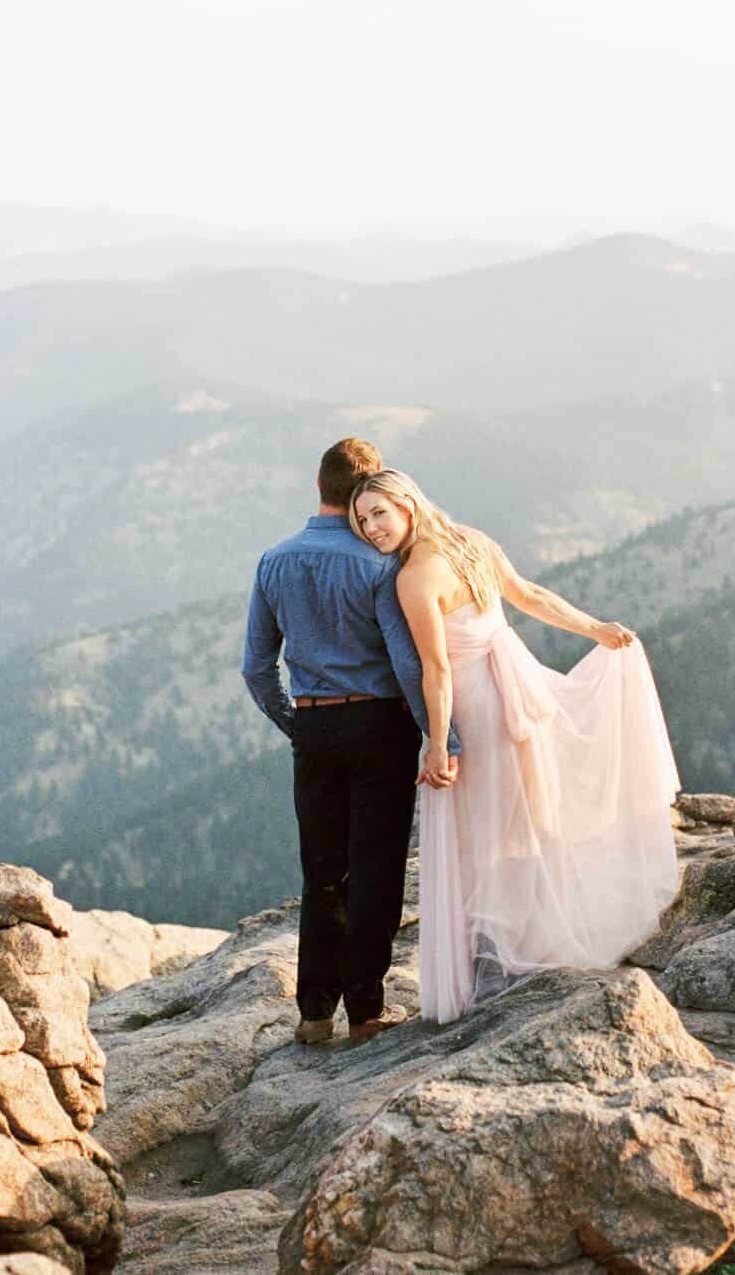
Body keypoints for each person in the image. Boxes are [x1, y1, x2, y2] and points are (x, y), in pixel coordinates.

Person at [349, 469, 680, 1024]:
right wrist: (594, 628)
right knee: (520, 818)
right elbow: (529, 596)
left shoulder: (413, 577)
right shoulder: (472, 541)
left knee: (479, 831)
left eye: (379, 513)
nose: (371, 528)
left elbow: (434, 668)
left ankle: (500, 961)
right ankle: (532, 939)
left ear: (407, 504)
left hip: (478, 704)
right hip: (516, 688)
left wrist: (437, 742)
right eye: (362, 520)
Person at [242, 439, 459, 1045]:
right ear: (368, 492)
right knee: (376, 870)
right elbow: (408, 664)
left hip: (315, 729)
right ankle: (364, 1012)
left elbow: (256, 669)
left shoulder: (273, 561)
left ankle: (313, 1014)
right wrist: (443, 737)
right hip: (380, 726)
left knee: (322, 870)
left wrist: (298, 723)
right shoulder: (379, 566)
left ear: (319, 485)